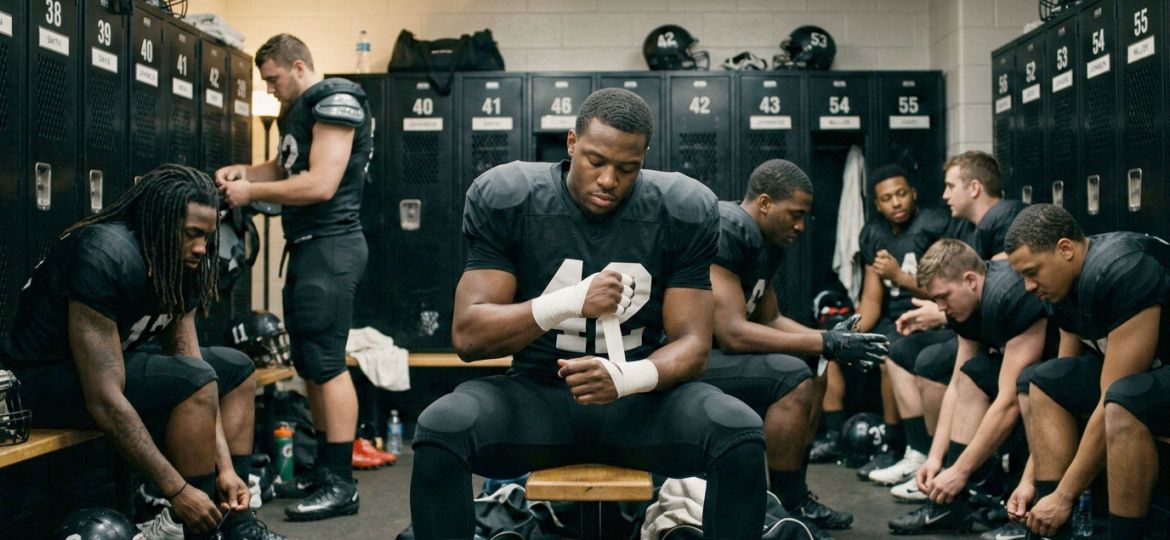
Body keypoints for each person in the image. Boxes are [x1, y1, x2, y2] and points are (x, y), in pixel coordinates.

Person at [408, 88, 767, 539]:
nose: (609, 180)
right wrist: (567, 302)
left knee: (740, 432)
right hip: (539, 396)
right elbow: (469, 336)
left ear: (644, 158)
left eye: (627, 168)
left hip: (639, 406)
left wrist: (627, 378)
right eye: (596, 161)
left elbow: (694, 347)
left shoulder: (683, 208)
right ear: (572, 142)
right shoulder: (511, 197)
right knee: (441, 428)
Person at [0, 165, 288, 540]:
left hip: (105, 372)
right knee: (194, 382)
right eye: (192, 235)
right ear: (162, 225)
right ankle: (192, 530)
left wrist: (226, 469)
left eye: (207, 236)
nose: (202, 247)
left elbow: (192, 360)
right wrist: (178, 490)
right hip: (39, 383)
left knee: (236, 368)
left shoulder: (183, 262)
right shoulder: (104, 253)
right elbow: (103, 398)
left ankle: (236, 524)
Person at [215, 33, 374, 521]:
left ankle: (341, 483)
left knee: (327, 363)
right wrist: (243, 172)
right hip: (308, 249)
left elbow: (321, 182)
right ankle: (325, 470)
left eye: (274, 79)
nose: (272, 89)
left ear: (299, 66)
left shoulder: (335, 100)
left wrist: (247, 196)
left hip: (331, 246)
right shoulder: (301, 111)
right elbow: (283, 166)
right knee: (309, 363)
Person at [707, 159, 888, 538]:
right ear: (766, 203)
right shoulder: (730, 228)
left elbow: (769, 319)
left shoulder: (766, 243)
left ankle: (794, 495)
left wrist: (828, 340)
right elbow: (732, 333)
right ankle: (780, 508)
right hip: (685, 357)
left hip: (723, 355)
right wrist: (824, 340)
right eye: (796, 214)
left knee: (816, 359)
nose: (801, 226)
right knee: (792, 374)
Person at [1003, 204, 1170, 539]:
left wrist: (1065, 496)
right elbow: (1063, 375)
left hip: (1149, 378)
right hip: (1146, 376)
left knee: (1123, 401)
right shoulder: (1061, 288)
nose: (1027, 287)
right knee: (1046, 380)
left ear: (1065, 249)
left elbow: (1113, 393)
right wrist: (1032, 481)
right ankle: (1051, 529)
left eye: (1033, 272)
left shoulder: (1123, 269)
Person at [884, 239, 1050, 535]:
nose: (940, 308)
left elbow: (1009, 400)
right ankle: (953, 505)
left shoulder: (1009, 296)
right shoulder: (962, 309)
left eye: (944, 297)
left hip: (1055, 372)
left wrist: (959, 472)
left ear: (971, 280)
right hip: (1024, 375)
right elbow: (957, 385)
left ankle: (1023, 511)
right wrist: (937, 460)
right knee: (971, 375)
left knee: (1027, 387)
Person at [839, 164, 962, 482]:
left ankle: (899, 445)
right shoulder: (876, 234)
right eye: (887, 198)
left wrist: (900, 277)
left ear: (914, 194)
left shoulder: (935, 225)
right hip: (895, 320)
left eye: (901, 194)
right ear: (877, 204)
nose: (896, 203)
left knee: (890, 353)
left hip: (936, 317)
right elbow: (871, 301)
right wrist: (843, 336)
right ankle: (839, 438)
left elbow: (952, 289)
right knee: (844, 350)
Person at [941, 150, 1025, 261]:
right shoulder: (965, 227)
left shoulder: (1010, 218)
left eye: (951, 186)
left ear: (974, 188)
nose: (945, 195)